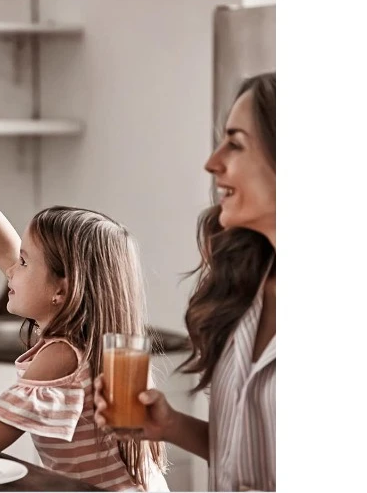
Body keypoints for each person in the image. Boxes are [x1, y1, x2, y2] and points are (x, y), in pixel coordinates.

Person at [0, 98, 168, 491]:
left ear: (62, 289)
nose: (9, 270)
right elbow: (5, 248)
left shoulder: (62, 354)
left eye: (23, 262)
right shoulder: (88, 340)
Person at [93, 72, 276, 492]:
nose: (213, 162)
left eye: (236, 142)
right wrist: (171, 425)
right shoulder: (248, 287)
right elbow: (246, 456)